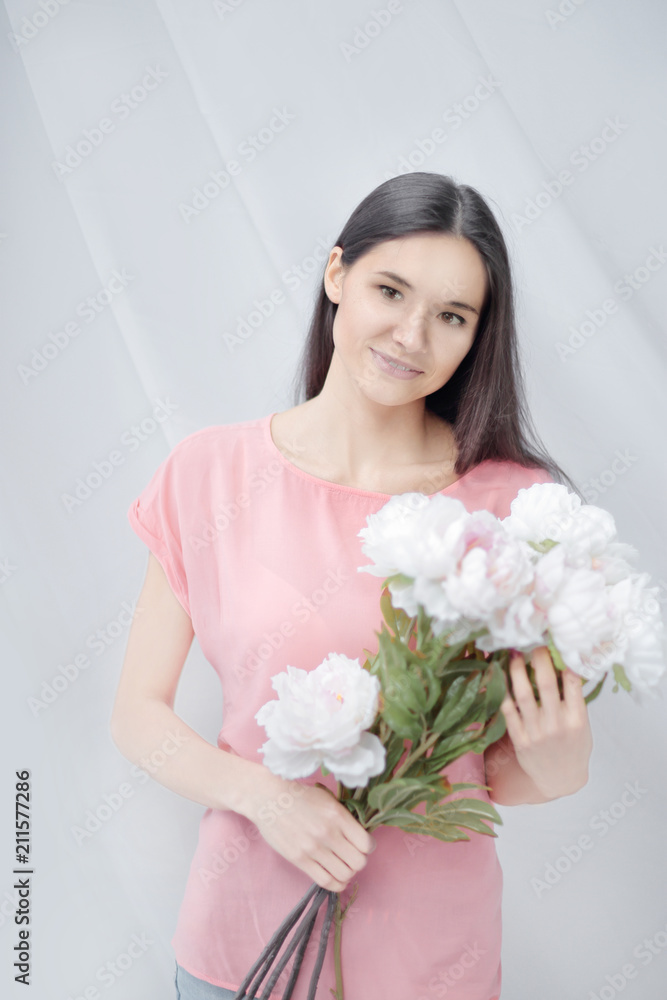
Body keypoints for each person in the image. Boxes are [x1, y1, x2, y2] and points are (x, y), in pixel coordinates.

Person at [110, 171, 593, 1000]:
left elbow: (496, 774)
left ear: (477, 335)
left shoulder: (513, 506)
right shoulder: (209, 474)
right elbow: (136, 714)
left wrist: (566, 765)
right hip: (241, 948)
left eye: (451, 316)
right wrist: (265, 799)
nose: (411, 334)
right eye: (389, 290)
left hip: (430, 963)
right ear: (337, 277)